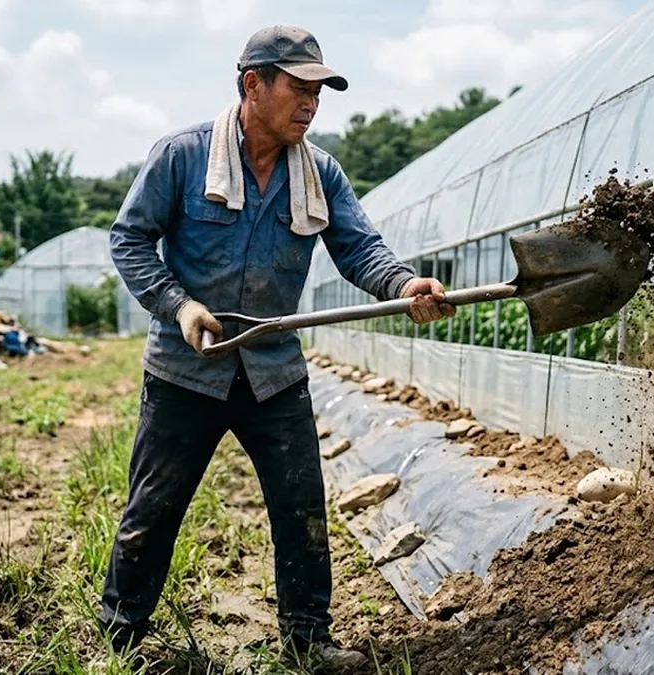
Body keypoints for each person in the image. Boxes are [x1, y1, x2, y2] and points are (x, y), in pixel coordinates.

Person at [103, 24, 455, 670]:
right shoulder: (182, 157)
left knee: (301, 508)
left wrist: (406, 285)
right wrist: (179, 306)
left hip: (273, 371)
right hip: (186, 369)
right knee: (154, 506)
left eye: (319, 93)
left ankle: (307, 640)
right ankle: (121, 636)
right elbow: (128, 239)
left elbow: (360, 248)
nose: (312, 104)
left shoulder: (319, 173)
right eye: (300, 88)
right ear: (253, 84)